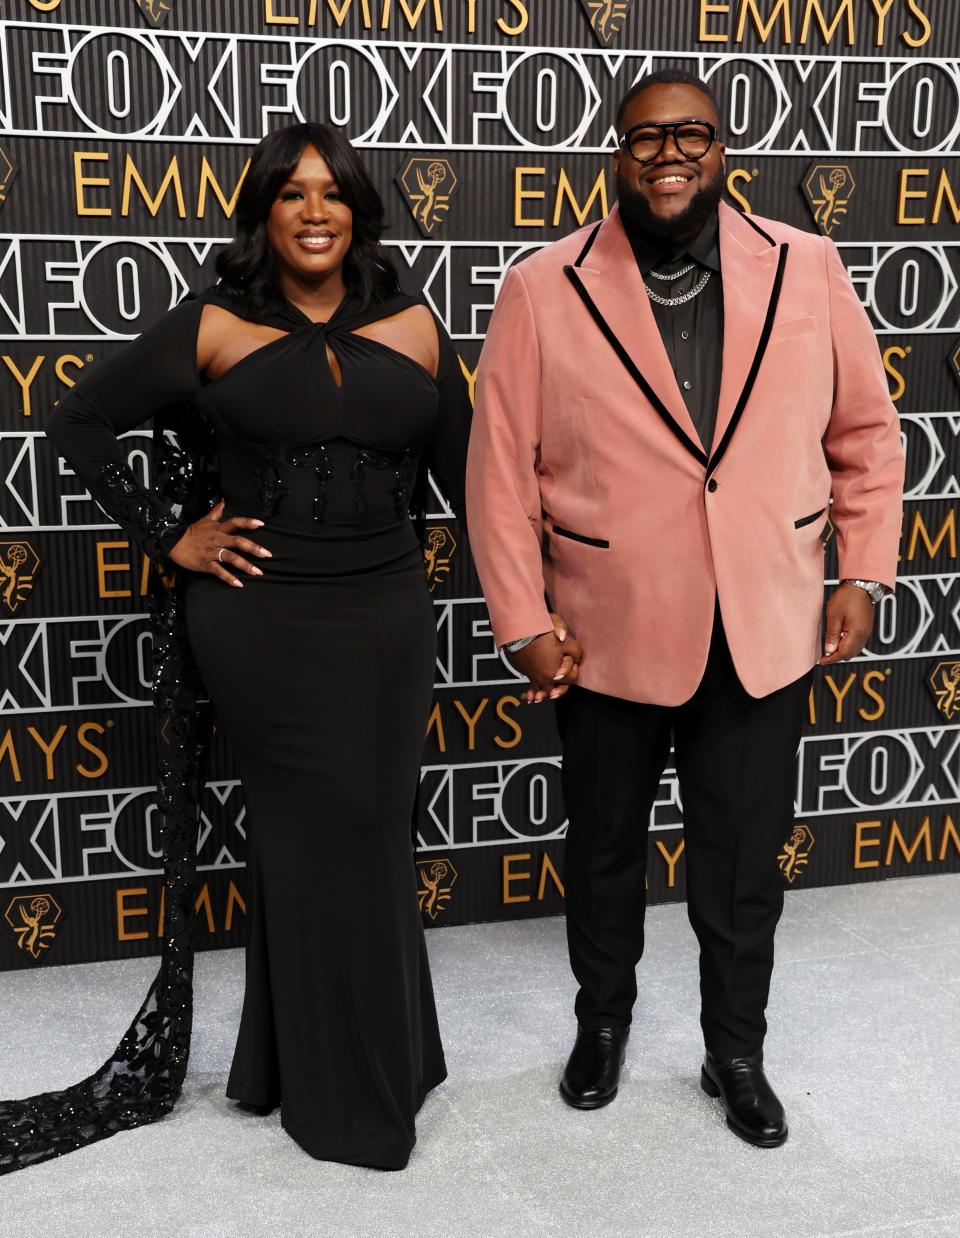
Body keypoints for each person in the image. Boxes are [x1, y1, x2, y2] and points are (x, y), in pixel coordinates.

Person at [1, 122, 471, 1174]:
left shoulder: (415, 323)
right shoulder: (217, 320)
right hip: (264, 620)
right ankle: (345, 1100)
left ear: (360, 211)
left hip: (389, 613)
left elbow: (471, 478)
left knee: (374, 830)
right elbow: (76, 420)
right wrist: (172, 536)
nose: (314, 210)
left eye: (333, 192)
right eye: (292, 193)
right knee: (317, 832)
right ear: (263, 211)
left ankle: (322, 1058)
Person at [465, 69, 904, 1148]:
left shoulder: (809, 267)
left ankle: (735, 1049)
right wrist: (522, 618)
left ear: (722, 150)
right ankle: (602, 1022)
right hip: (605, 633)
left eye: (691, 135)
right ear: (616, 154)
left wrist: (863, 574)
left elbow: (867, 437)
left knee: (744, 862)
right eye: (646, 136)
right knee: (605, 849)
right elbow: (497, 473)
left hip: (763, 625)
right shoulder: (541, 286)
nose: (669, 153)